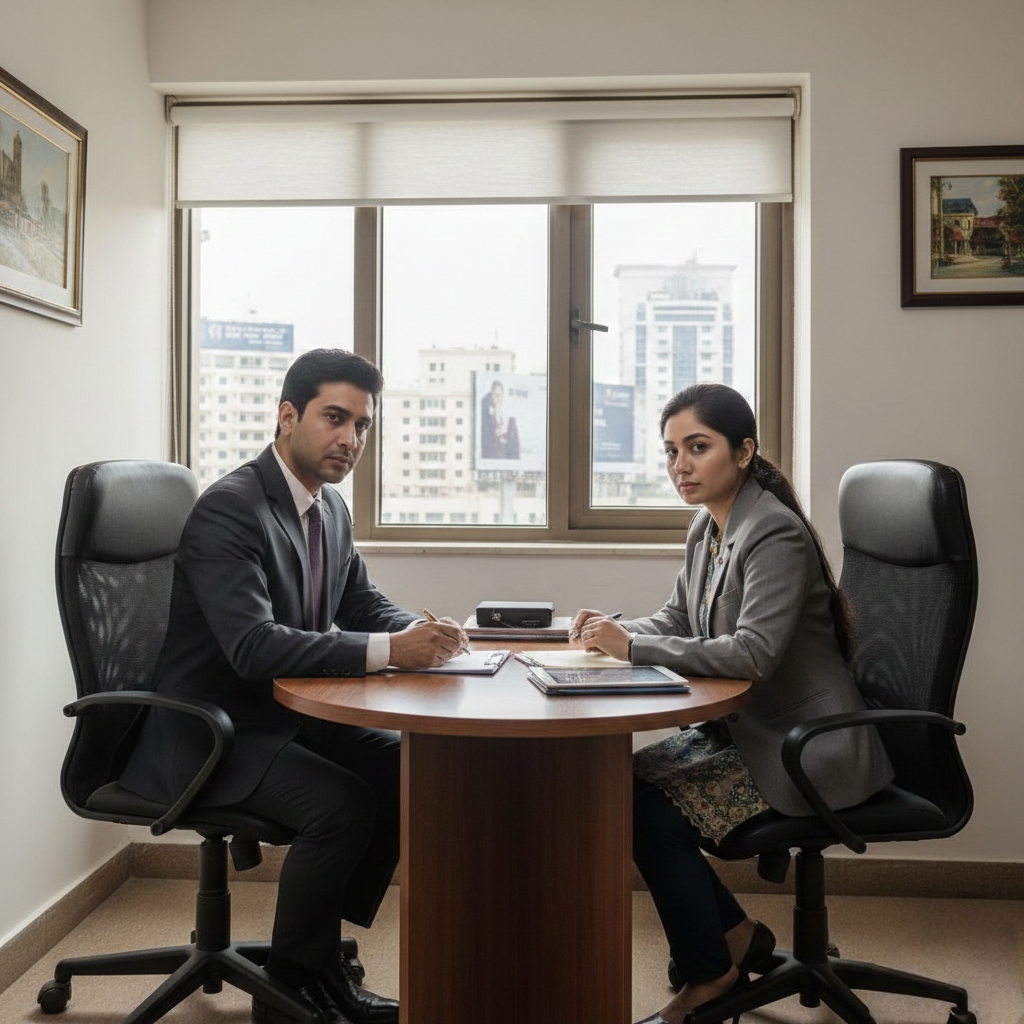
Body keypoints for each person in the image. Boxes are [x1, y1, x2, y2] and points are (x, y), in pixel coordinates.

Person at [120, 349, 467, 1024]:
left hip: (276, 716)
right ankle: (290, 988)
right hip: (211, 729)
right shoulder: (232, 509)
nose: (351, 439)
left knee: (405, 766)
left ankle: (315, 960)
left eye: (363, 426)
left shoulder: (327, 508)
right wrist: (392, 652)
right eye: (335, 418)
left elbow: (362, 604)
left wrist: (434, 640)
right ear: (288, 416)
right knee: (339, 805)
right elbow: (253, 648)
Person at [571, 383, 893, 1024]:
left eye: (698, 448)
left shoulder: (772, 532)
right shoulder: (712, 523)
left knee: (645, 814)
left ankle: (711, 972)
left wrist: (633, 651)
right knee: (617, 787)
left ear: (743, 452)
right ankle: (738, 939)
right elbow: (680, 616)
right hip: (754, 730)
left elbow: (751, 654)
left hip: (808, 745)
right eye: (670, 452)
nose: (680, 466)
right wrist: (610, 632)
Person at [479, 379, 519, 459]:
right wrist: (494, 433)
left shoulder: (510, 419)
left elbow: (515, 446)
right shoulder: (487, 416)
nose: (498, 399)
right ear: (491, 397)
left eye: (499, 395)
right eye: (495, 396)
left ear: (503, 395)